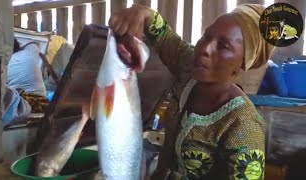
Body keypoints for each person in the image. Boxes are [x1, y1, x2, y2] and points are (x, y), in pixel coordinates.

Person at [109, 3, 274, 180]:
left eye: (223, 46)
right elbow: (165, 38)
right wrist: (143, 13)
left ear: (241, 65)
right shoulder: (190, 70)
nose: (204, 49)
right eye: (206, 36)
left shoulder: (243, 126)